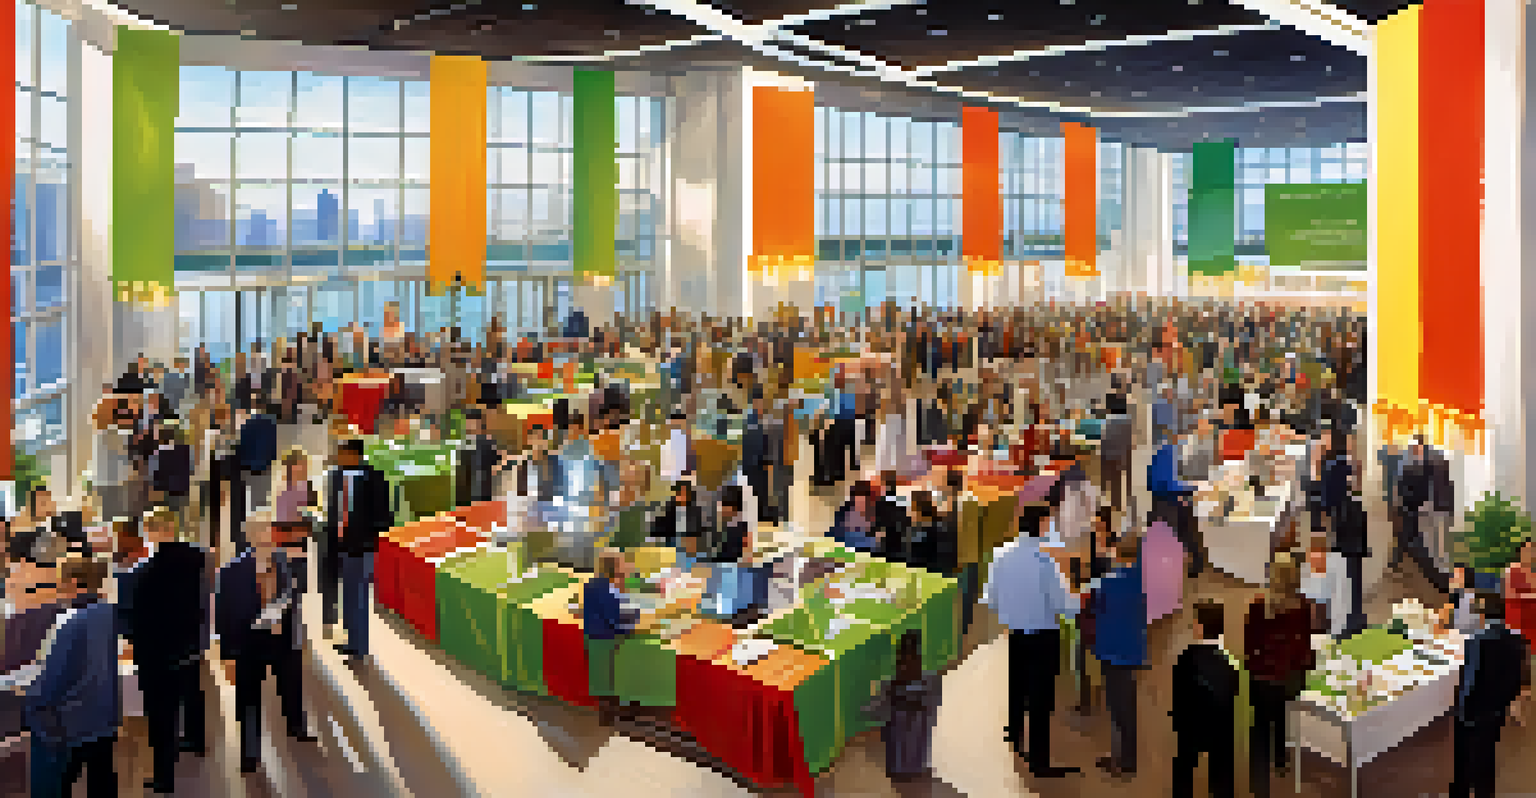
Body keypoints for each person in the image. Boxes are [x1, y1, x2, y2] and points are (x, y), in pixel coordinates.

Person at [982, 504, 1081, 778]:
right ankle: (1039, 761)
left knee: (1017, 683)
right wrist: (1079, 598)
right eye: (1048, 523)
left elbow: (990, 598)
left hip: (1016, 633)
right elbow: (1063, 605)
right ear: (1040, 526)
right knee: (1040, 699)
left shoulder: (1001, 555)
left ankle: (1014, 733)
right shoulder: (1045, 562)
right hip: (1043, 636)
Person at [216, 511, 317, 774]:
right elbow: (224, 616)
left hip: (282, 639)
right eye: (260, 530)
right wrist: (227, 655)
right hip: (249, 643)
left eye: (268, 529)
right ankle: (249, 753)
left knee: (292, 686)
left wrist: (298, 637)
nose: (266, 534)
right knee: (248, 698)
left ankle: (297, 726)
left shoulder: (288, 562)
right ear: (249, 536)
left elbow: (296, 601)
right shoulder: (229, 573)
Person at [120, 506, 212, 794]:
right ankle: (195, 741)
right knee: (191, 694)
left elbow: (131, 619)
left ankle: (164, 776)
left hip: (155, 655)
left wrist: (130, 640)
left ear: (150, 532)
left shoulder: (140, 573)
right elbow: (204, 602)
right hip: (189, 645)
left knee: (161, 715)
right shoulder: (198, 559)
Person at [11, 557, 119, 798]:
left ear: (73, 582)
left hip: (69, 723)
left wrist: (30, 701)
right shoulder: (109, 611)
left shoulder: (70, 623)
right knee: (102, 781)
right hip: (102, 716)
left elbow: (52, 683)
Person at [1243, 553, 1317, 798]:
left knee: (1260, 727)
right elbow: (1306, 643)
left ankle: (1260, 785)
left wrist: (1253, 666)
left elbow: (1250, 644)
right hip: (1290, 677)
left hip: (1263, 677)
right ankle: (1281, 759)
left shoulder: (1258, 606)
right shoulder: (1304, 606)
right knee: (1282, 715)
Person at [1451, 591, 1532, 798]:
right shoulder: (1518, 639)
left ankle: (1461, 791)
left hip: (1474, 709)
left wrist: (1460, 710)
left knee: (1465, 756)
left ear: (1484, 615)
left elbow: (1470, 680)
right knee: (1488, 752)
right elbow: (1521, 674)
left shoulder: (1477, 640)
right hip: (1497, 708)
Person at [324, 438, 391, 661]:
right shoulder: (335, 477)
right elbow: (333, 510)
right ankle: (352, 640)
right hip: (339, 545)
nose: (338, 457)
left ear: (355, 455)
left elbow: (383, 517)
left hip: (362, 547)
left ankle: (359, 646)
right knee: (348, 595)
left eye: (342, 453)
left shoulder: (375, 478)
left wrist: (369, 538)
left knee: (359, 595)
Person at [1171, 600, 1239, 798]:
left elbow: (1179, 695)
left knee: (1184, 767)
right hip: (1221, 728)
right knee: (1222, 770)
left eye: (1194, 622)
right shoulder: (1229, 661)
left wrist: (1178, 722)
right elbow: (1231, 694)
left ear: (1200, 628)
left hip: (1190, 726)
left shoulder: (1186, 658)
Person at [1092, 533, 1147, 777]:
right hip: (1132, 648)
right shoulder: (1139, 578)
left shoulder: (1109, 583)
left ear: (1117, 552)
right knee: (1125, 705)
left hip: (1112, 650)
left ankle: (1125, 761)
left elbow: (1095, 607)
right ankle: (1122, 755)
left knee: (1118, 707)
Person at [863, 629, 941, 782]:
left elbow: (938, 712)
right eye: (903, 661)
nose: (906, 666)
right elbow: (869, 712)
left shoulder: (930, 683)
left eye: (911, 660)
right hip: (900, 769)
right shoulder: (891, 686)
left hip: (916, 769)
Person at [584, 550, 638, 727]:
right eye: (621, 562)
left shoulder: (599, 584)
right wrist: (633, 625)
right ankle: (611, 715)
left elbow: (620, 606)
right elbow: (615, 619)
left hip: (598, 638)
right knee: (609, 679)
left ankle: (610, 711)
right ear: (613, 567)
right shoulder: (603, 588)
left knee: (606, 680)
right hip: (604, 640)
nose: (625, 564)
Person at [650, 480, 704, 548]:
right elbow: (658, 527)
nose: (679, 495)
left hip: (689, 545)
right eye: (678, 492)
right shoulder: (669, 509)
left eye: (683, 492)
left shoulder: (695, 511)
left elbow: (696, 532)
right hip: (671, 544)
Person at [1503, 538, 1536, 644]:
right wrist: (1531, 596)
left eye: (1532, 550)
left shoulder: (1533, 572)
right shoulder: (1512, 569)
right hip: (1517, 615)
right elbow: (1510, 594)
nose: (1531, 553)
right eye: (1528, 550)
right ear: (1521, 551)